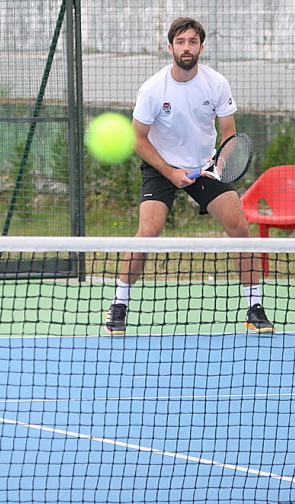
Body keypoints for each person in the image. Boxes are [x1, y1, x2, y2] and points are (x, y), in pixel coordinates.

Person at [103, 17, 275, 336]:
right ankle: (119, 304)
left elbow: (229, 134)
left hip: (205, 165)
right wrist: (170, 172)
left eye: (192, 42)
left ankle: (254, 307)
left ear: (201, 47)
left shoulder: (217, 84)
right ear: (170, 48)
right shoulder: (154, 89)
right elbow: (137, 138)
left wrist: (219, 163)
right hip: (161, 165)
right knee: (148, 231)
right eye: (180, 42)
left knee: (240, 226)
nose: (186, 48)